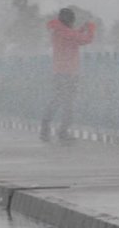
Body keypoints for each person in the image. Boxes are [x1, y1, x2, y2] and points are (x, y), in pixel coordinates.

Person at [40, 8, 95, 142]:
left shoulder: (58, 31)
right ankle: (63, 132)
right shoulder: (66, 33)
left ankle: (45, 127)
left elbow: (74, 35)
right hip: (69, 73)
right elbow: (85, 40)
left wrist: (81, 29)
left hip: (58, 72)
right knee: (68, 103)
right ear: (70, 20)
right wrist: (91, 29)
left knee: (56, 100)